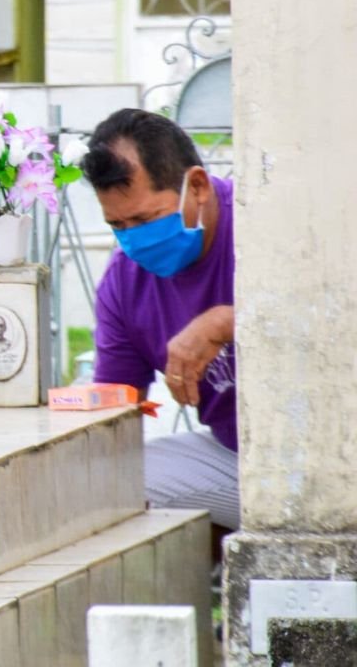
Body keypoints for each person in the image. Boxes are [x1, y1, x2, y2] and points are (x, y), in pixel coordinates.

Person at [82, 108, 238, 538]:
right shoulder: (123, 283)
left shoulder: (264, 221)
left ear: (199, 186)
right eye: (118, 225)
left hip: (334, 455)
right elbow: (115, 409)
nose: (133, 238)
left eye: (146, 219)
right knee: (107, 488)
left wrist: (230, 321)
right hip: (239, 459)